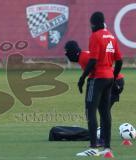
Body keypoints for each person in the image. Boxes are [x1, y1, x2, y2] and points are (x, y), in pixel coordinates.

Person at [66, 12, 123, 156]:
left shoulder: (95, 36)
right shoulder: (112, 37)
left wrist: (82, 78)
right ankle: (107, 148)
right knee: (105, 113)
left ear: (93, 23)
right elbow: (120, 61)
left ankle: (93, 147)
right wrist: (114, 77)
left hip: (97, 79)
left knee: (90, 111)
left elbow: (93, 61)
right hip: (109, 78)